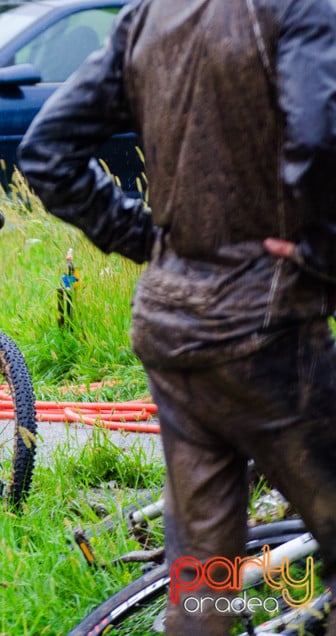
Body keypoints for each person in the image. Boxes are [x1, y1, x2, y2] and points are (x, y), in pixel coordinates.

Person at [17, 1, 336, 633]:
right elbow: (321, 139)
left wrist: (156, 245)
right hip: (264, 328)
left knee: (201, 565)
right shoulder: (298, 6)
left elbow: (47, 151)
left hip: (173, 327)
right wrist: (322, 255)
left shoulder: (148, 14)